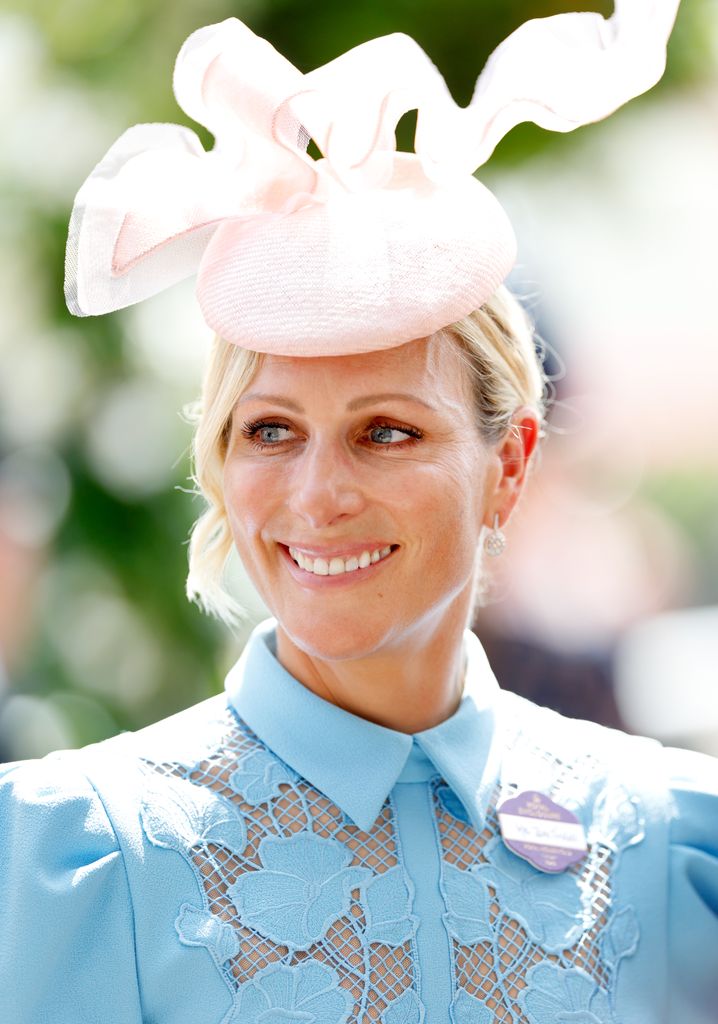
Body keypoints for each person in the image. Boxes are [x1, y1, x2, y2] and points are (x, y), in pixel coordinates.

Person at [2, 5, 717, 1023]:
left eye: (385, 431)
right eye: (270, 431)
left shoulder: (671, 843)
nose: (317, 493)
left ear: (506, 464)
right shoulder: (79, 857)